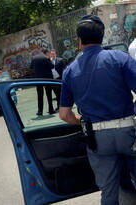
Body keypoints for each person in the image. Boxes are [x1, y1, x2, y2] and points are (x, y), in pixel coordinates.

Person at [59, 14, 136, 205]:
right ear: (102, 37)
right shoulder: (120, 58)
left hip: (97, 138)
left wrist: (82, 122)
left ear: (79, 40)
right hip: (129, 132)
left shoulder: (70, 71)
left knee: (108, 191)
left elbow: (64, 114)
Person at [30, 49, 55, 115]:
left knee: (40, 95)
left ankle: (40, 111)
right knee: (49, 94)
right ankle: (51, 109)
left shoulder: (34, 58)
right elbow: (52, 66)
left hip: (38, 79)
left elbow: (31, 67)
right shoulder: (46, 58)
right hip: (47, 79)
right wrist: (50, 60)